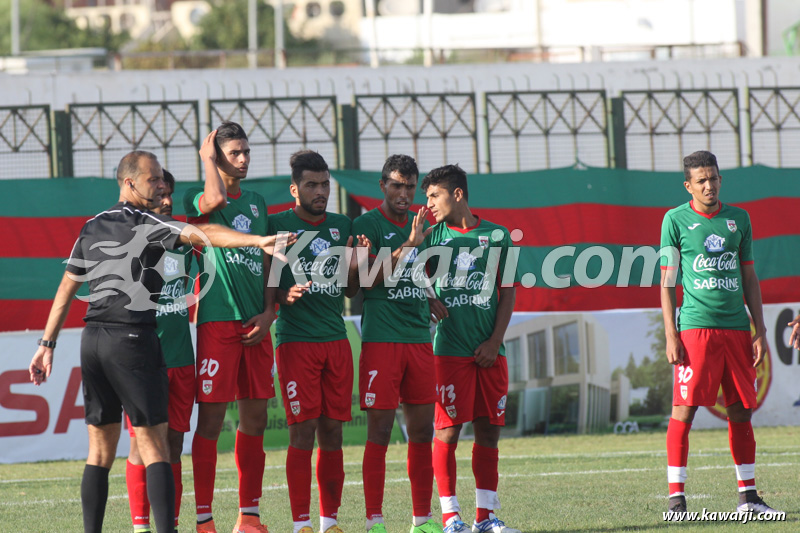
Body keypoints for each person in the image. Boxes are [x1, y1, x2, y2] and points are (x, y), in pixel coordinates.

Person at [28, 150, 292, 533]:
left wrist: (46, 344)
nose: (159, 188)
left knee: (99, 453)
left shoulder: (92, 226)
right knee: (154, 449)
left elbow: (67, 289)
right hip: (133, 340)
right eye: (152, 180)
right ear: (129, 183)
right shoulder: (148, 221)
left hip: (93, 341)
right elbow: (204, 234)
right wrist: (257, 240)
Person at [660, 150, 780, 515]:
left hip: (736, 330)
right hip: (696, 330)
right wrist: (671, 334)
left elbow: (748, 276)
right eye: (701, 180)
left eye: (713, 178)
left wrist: (758, 330)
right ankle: (676, 500)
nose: (709, 185)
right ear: (688, 186)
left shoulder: (739, 219)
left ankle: (749, 498)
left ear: (720, 179)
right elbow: (666, 283)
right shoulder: (674, 220)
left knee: (741, 411)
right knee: (684, 411)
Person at [183, 122, 275, 533]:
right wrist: (206, 161)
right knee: (212, 423)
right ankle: (204, 520)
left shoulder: (257, 202)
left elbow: (272, 259)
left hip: (257, 323)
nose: (244, 159)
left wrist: (270, 312)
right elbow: (211, 212)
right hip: (218, 320)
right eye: (234, 152)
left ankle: (249, 517)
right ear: (216, 155)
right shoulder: (194, 196)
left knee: (254, 420)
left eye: (246, 152)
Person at [421, 165, 520, 533]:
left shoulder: (498, 236)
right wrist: (429, 296)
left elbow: (507, 292)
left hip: (491, 352)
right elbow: (406, 273)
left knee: (489, 431)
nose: (428, 203)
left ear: (457, 194)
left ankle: (485, 517)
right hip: (449, 351)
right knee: (448, 431)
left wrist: (495, 341)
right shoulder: (431, 237)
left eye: (434, 195)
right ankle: (450, 518)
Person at [350, 154, 447, 533]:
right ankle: (375, 521)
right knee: (379, 433)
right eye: (396, 185)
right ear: (382, 186)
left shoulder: (421, 224)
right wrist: (408, 244)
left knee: (422, 433)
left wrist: (428, 295)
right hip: (381, 340)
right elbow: (364, 282)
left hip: (419, 340)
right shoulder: (365, 225)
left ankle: (422, 521)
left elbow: (418, 271)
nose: (404, 193)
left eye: (410, 186)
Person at [268, 150, 362, 533]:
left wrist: (357, 264)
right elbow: (267, 284)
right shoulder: (277, 226)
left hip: (336, 339)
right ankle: (300, 524)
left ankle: (329, 522)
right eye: (312, 185)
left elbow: (351, 288)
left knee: (334, 433)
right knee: (302, 431)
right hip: (296, 342)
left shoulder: (342, 225)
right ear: (295, 189)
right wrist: (281, 297)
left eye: (325, 184)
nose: (321, 191)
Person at [125, 170, 196, 533]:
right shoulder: (130, 242)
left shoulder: (186, 246)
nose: (166, 200)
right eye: (159, 194)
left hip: (182, 361)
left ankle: (171, 523)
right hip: (143, 362)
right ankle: (140, 527)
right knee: (141, 445)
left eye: (170, 194)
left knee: (173, 446)